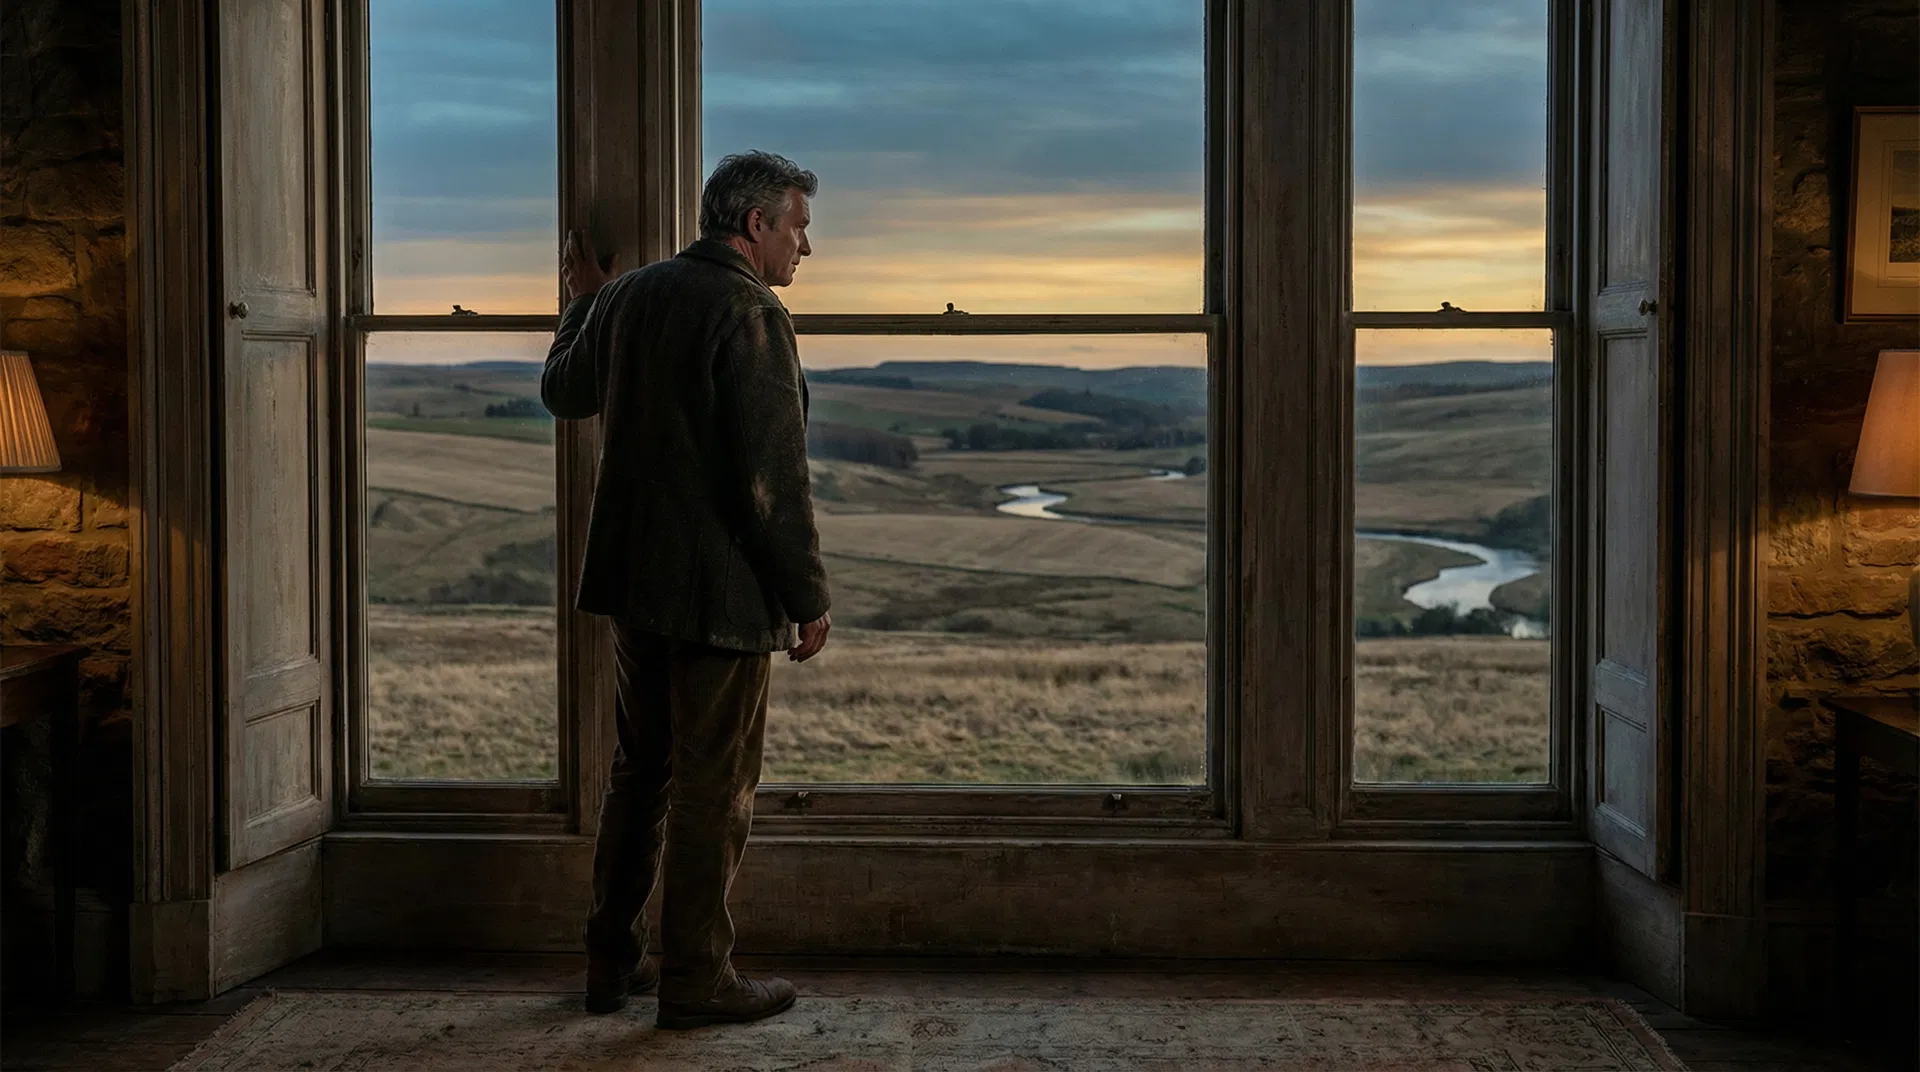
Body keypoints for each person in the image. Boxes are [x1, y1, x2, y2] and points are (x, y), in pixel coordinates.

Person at [540, 150, 831, 1030]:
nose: (804, 249)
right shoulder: (750, 313)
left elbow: (563, 390)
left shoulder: (633, 297)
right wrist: (807, 595)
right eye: (798, 227)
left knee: (642, 775)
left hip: (635, 586)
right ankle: (698, 978)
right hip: (722, 598)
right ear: (755, 226)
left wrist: (588, 299)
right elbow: (770, 478)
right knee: (717, 788)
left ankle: (610, 962)